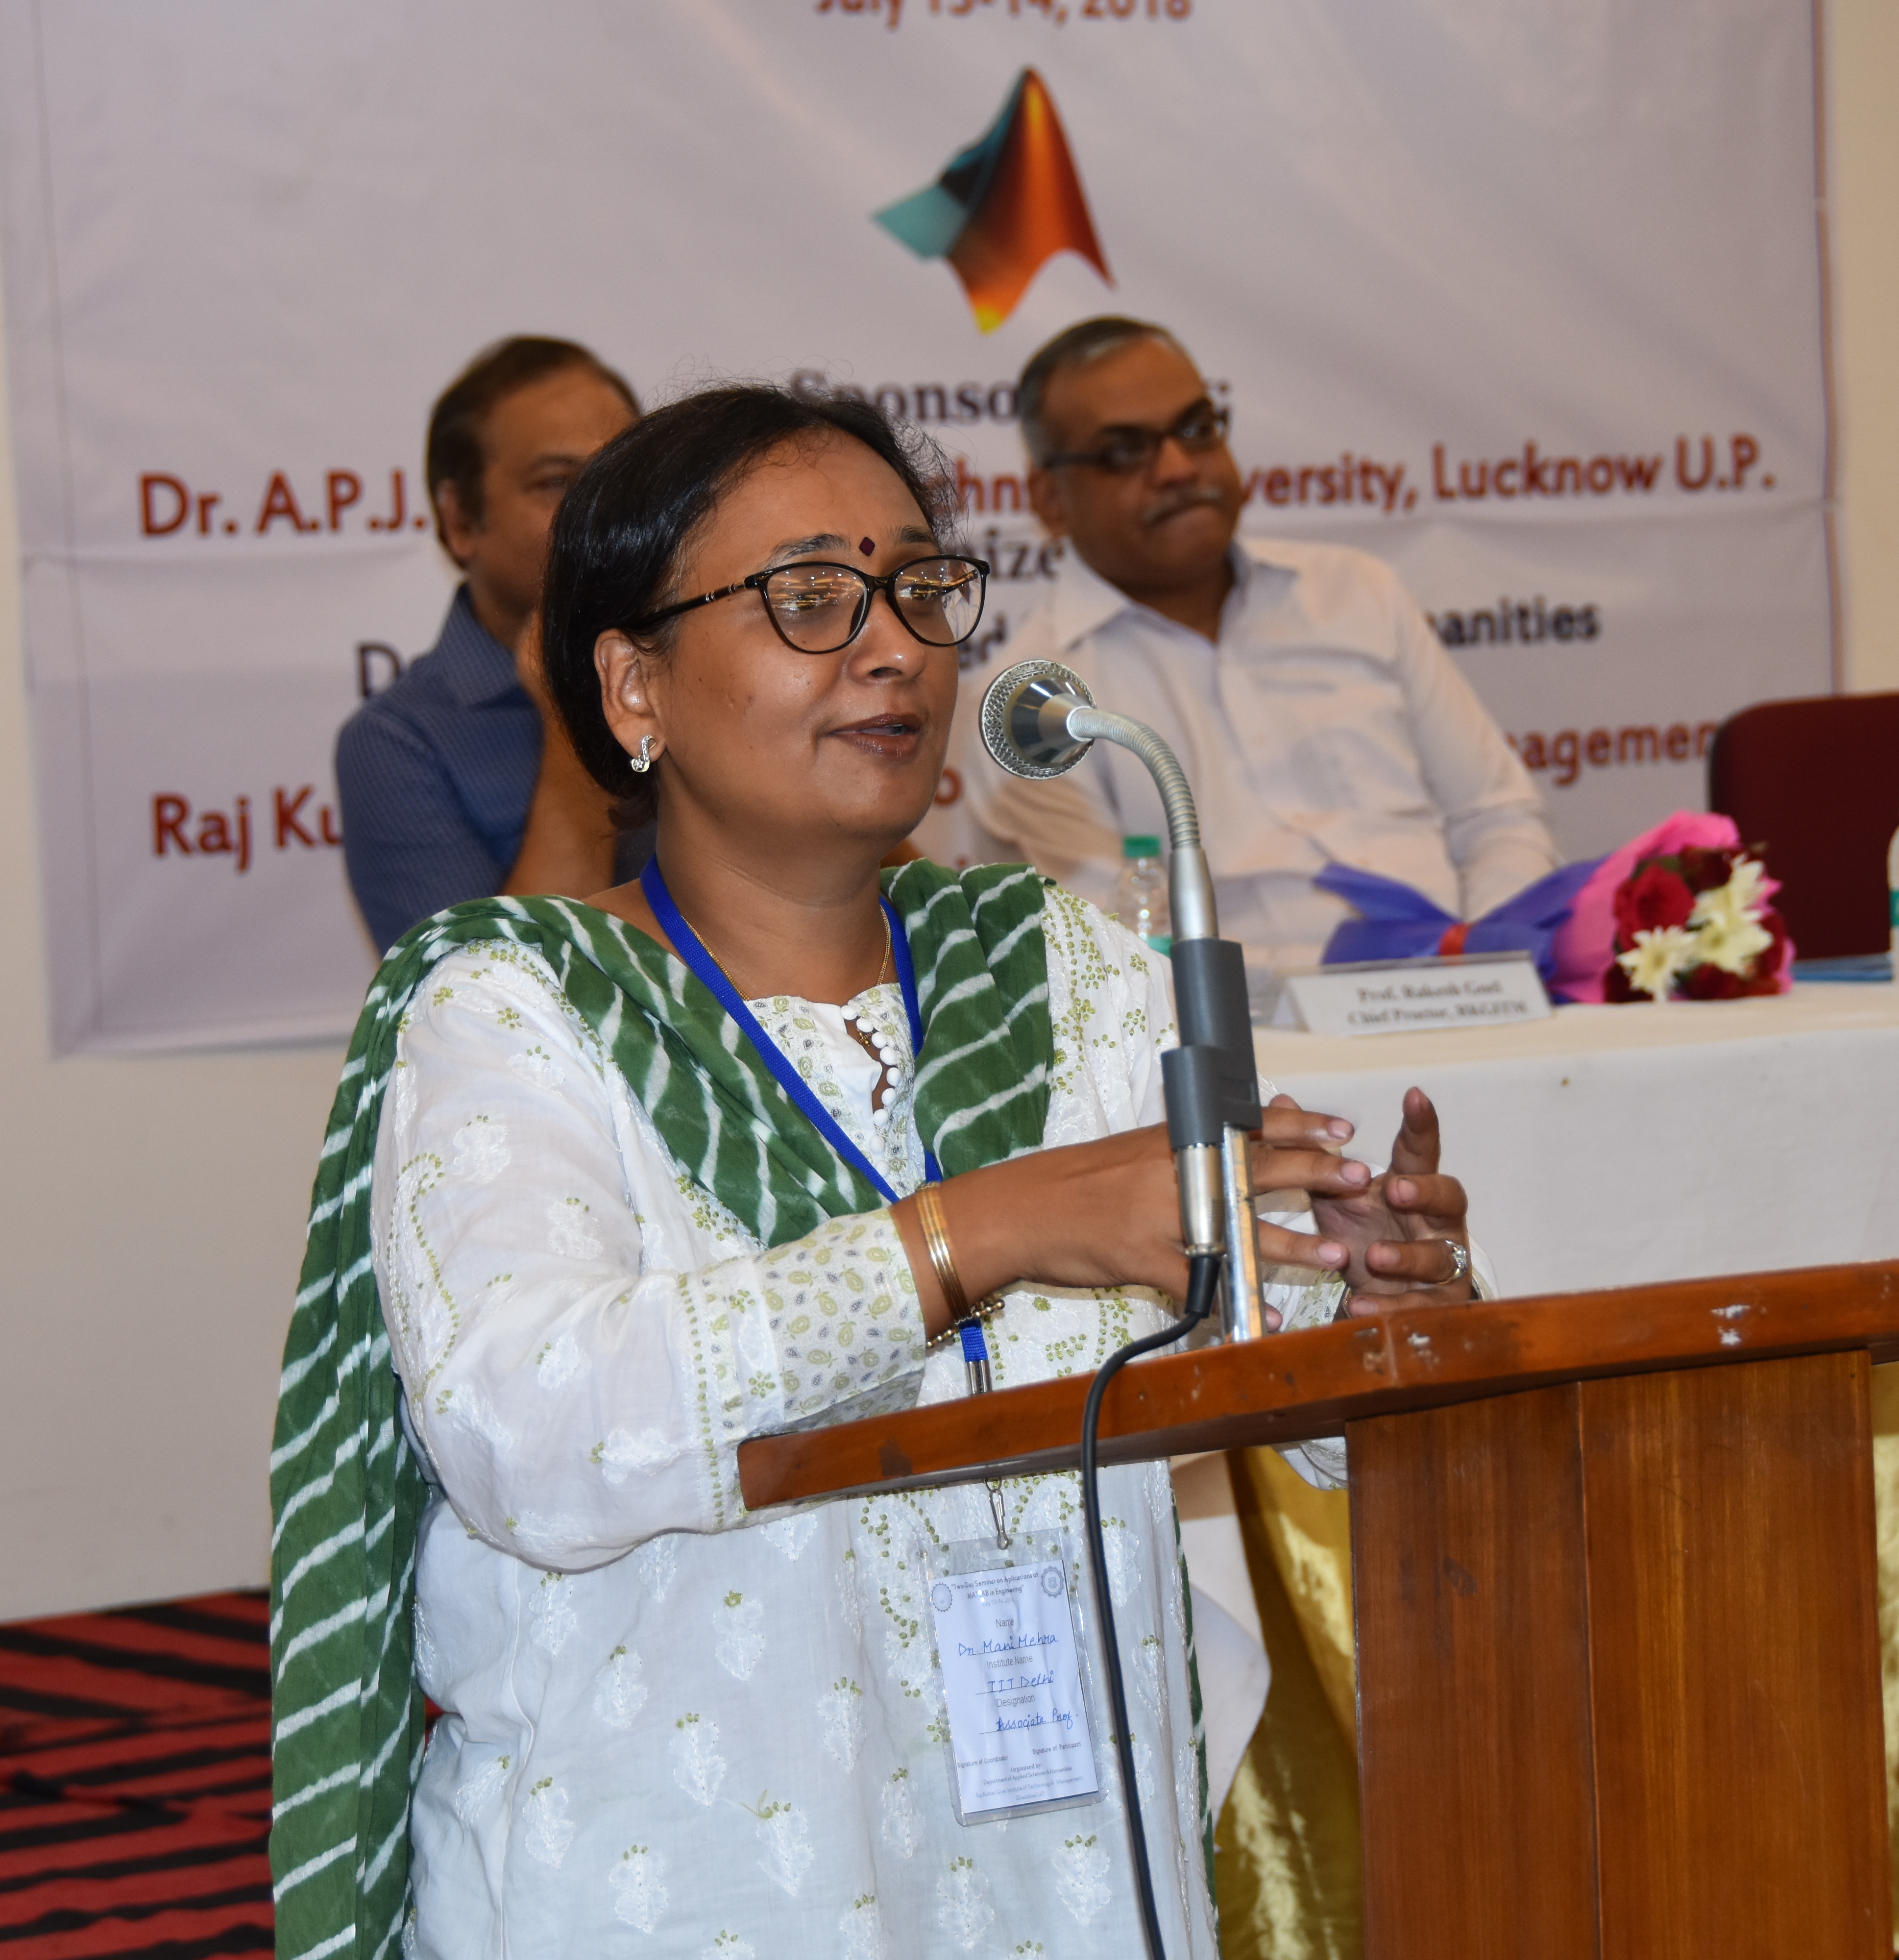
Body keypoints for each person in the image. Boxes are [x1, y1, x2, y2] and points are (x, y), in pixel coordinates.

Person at [268, 383, 1481, 1960]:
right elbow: (533, 1434)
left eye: (917, 588)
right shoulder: (514, 1010)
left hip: (1061, 1858)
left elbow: (1269, 1373)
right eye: (808, 600)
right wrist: (967, 1235)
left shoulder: (1061, 969)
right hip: (688, 1873)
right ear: (633, 686)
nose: (894, 646)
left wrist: (1379, 1306)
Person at [975, 316, 1559, 983]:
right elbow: (1118, 950)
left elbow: (1497, 817)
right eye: (1124, 451)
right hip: (1254, 1035)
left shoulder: (1356, 592)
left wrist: (1484, 963)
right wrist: (1344, 991)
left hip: (1473, 995)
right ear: (1049, 500)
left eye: (1197, 428)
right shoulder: (1035, 703)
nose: (1178, 468)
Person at [334, 336, 645, 952]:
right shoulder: (398, 742)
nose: (599, 512)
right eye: (557, 482)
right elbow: (494, 990)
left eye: (621, 478)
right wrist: (571, 713)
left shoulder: (694, 669)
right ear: (459, 520)